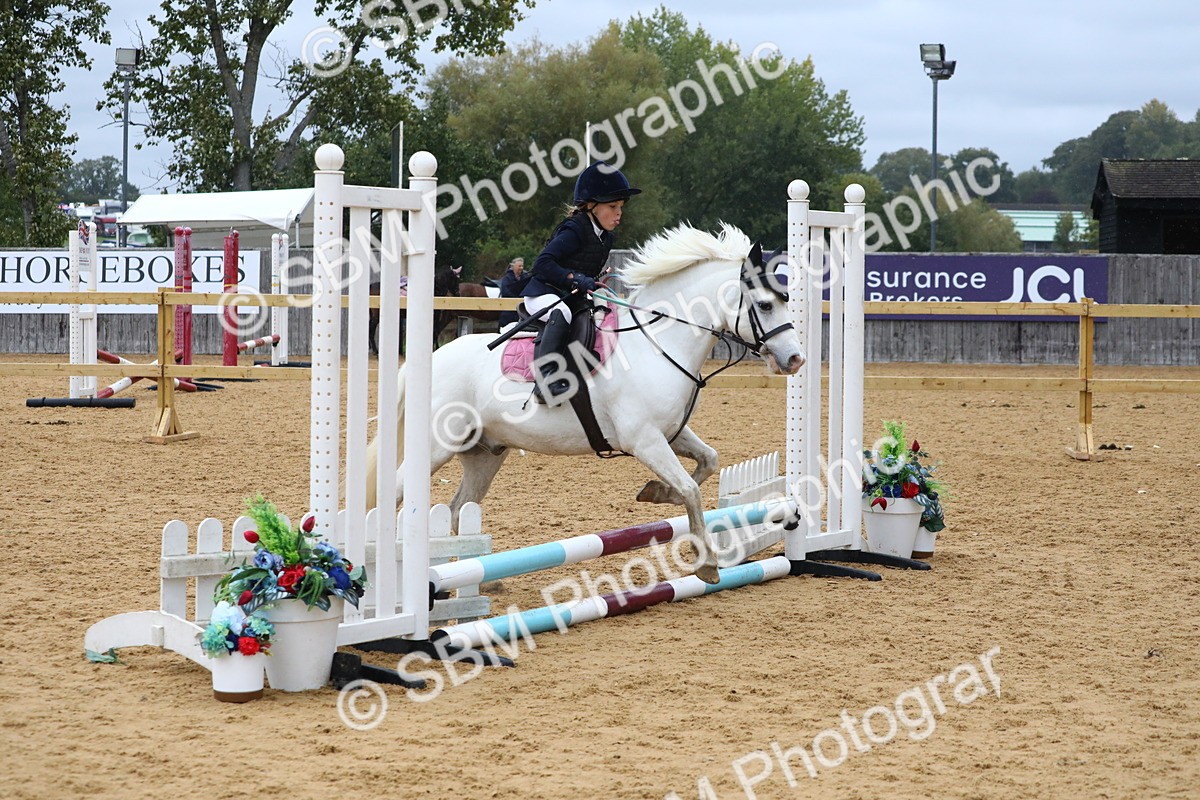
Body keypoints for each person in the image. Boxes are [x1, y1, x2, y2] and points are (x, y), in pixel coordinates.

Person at [522, 161, 641, 403]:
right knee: (562, 312)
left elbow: (583, 269)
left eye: (621, 207)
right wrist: (576, 278)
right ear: (591, 206)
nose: (619, 213)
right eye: (612, 206)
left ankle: (581, 358)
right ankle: (544, 383)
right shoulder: (574, 229)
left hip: (569, 295)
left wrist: (591, 280)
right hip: (542, 293)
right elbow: (542, 263)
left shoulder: (605, 237)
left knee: (597, 314)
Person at [497, 257, 531, 330]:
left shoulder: (525, 277)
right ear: (513, 266)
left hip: (521, 310)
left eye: (522, 266)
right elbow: (505, 292)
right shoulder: (507, 278)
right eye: (519, 266)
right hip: (508, 311)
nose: (521, 268)